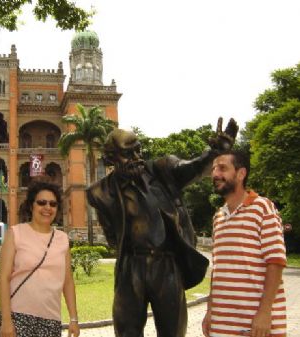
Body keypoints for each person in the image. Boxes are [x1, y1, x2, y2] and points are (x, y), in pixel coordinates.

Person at [87, 118, 238, 337]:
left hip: (166, 265)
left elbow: (194, 167)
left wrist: (216, 151)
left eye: (138, 151)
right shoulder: (101, 193)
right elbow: (111, 234)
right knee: (126, 330)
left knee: (173, 330)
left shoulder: (163, 170)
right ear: (111, 158)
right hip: (131, 267)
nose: (137, 158)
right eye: (128, 154)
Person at [202, 150, 287, 337]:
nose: (215, 174)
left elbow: (276, 262)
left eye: (222, 168)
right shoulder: (218, 217)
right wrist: (210, 310)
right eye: (214, 169)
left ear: (241, 174)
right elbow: (219, 270)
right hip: (221, 325)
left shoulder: (263, 207)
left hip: (257, 327)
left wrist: (265, 313)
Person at [0, 181, 80, 337]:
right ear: (31, 206)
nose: (47, 208)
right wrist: (6, 321)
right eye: (41, 202)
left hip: (51, 320)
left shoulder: (62, 238)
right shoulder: (16, 233)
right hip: (18, 318)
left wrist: (74, 319)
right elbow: (3, 278)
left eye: (53, 204)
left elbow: (67, 281)